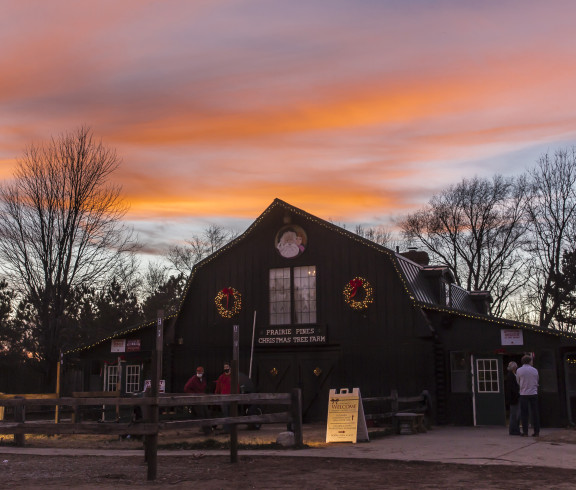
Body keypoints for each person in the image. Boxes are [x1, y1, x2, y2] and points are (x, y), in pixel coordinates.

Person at [516, 354, 540, 437]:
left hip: (524, 393)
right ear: (530, 361)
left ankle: (525, 432)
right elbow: (537, 380)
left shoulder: (519, 370)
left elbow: (518, 381)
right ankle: (536, 431)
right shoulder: (535, 370)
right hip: (533, 393)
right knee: (535, 413)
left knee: (524, 413)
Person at [183, 366, 211, 434]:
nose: (199, 373)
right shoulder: (193, 379)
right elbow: (186, 388)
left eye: (200, 372)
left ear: (203, 372)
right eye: (198, 372)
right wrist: (194, 395)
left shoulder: (203, 380)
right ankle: (206, 431)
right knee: (201, 415)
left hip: (202, 399)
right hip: (197, 400)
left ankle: (209, 429)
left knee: (206, 414)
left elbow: (203, 388)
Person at [215, 362, 232, 433]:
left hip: (231, 398)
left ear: (230, 367)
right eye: (224, 367)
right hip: (223, 398)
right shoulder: (221, 377)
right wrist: (216, 396)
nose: (225, 369)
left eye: (227, 367)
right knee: (225, 413)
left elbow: (236, 387)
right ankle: (226, 429)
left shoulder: (233, 376)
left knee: (231, 413)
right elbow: (218, 388)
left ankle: (231, 429)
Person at [505, 361, 521, 435]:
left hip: (513, 397)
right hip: (514, 398)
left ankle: (514, 429)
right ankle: (514, 430)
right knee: (515, 415)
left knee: (514, 414)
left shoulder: (511, 375)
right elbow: (512, 388)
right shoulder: (511, 376)